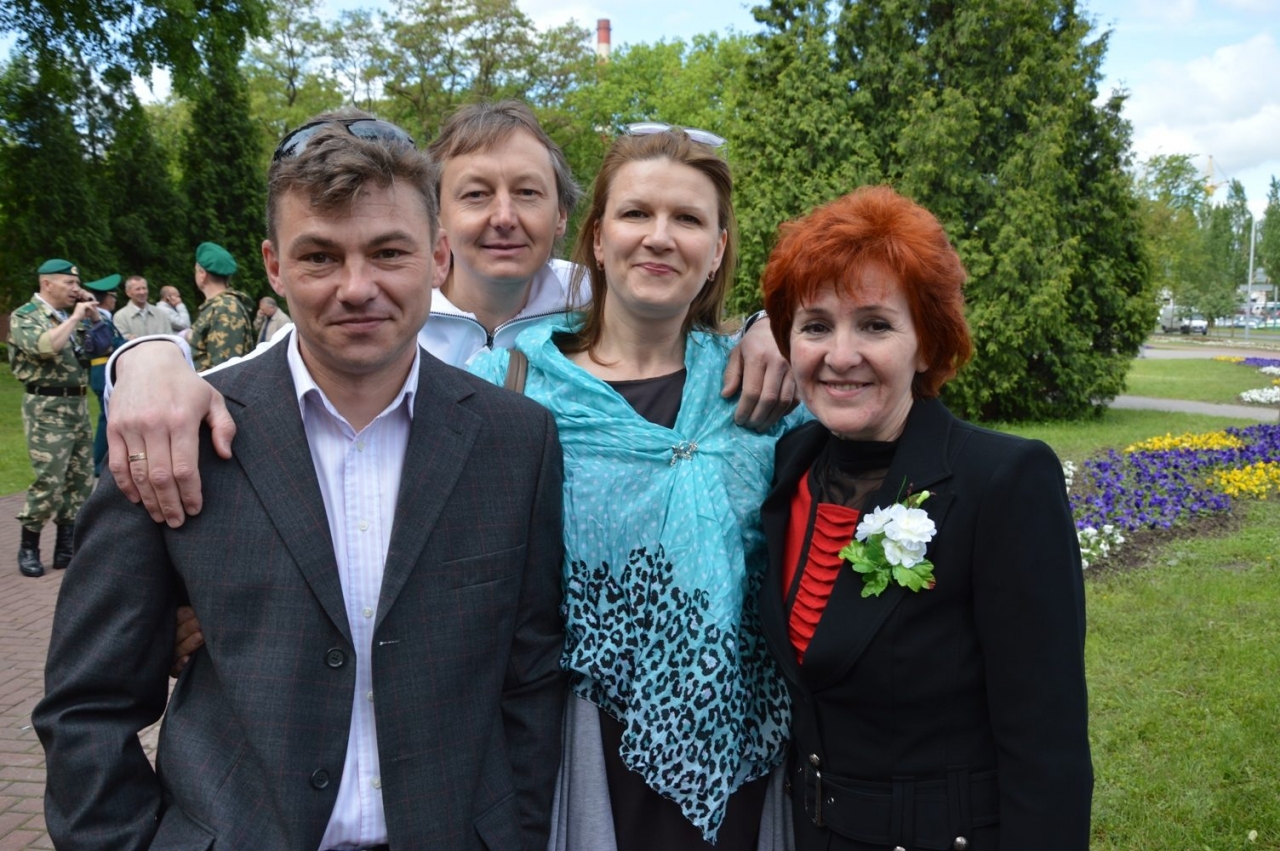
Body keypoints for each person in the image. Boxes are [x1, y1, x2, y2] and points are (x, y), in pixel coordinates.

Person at [34, 116, 567, 850]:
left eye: (389, 252)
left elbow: (530, 679)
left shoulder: (517, 441)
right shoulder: (178, 436)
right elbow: (87, 705)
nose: (357, 287)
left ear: (438, 257)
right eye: (319, 256)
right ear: (274, 266)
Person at [101, 100, 794, 528]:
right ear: (438, 225)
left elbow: (680, 313)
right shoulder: (380, 316)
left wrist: (767, 327)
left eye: (528, 193)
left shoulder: (591, 300)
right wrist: (145, 358)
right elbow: (260, 376)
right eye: (476, 194)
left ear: (563, 217)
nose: (503, 217)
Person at [469, 126, 801, 850]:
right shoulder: (509, 387)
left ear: (717, 248)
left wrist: (776, 326)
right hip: (578, 741)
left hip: (744, 743)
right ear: (596, 237)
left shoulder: (767, 385)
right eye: (636, 213)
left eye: (688, 219)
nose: (659, 237)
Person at [756, 186, 1093, 851]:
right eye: (816, 325)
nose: (840, 355)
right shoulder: (792, 463)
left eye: (875, 325)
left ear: (927, 344)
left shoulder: (1002, 482)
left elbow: (1045, 743)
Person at [7, 259, 98, 577]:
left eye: (77, 283)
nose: (76, 289)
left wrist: (94, 316)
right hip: (47, 407)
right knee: (50, 480)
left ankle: (66, 548)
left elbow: (101, 348)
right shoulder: (26, 316)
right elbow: (45, 347)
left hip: (77, 406)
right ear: (47, 284)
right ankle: (28, 546)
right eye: (69, 283)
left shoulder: (70, 316)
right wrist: (75, 317)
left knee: (80, 481)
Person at [81, 274, 128, 477]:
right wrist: (127, 343)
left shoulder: (104, 317)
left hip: (106, 370)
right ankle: (98, 462)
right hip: (102, 370)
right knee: (106, 418)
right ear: (106, 298)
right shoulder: (96, 318)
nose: (114, 300)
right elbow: (108, 343)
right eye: (113, 296)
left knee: (108, 416)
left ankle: (102, 460)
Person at [185, 241, 256, 369]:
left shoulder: (226, 308)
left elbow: (224, 370)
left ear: (202, 275)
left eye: (196, 270)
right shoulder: (218, 306)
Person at [112, 275, 172, 340]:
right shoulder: (120, 317)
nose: (142, 292)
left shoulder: (160, 314)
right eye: (138, 289)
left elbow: (170, 338)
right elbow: (120, 342)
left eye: (144, 288)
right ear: (128, 293)